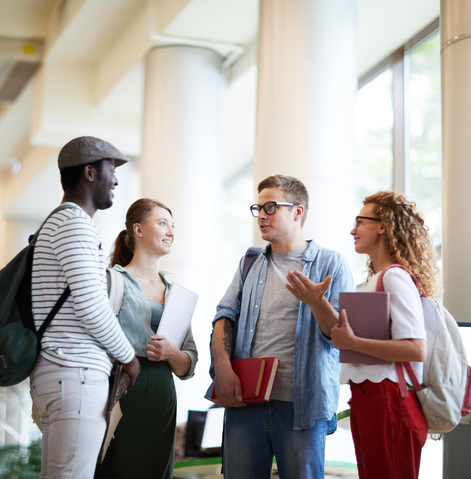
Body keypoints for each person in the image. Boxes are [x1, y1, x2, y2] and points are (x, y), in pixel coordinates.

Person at [208, 175, 354, 479]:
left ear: (298, 212)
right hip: (245, 402)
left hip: (302, 409)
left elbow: (341, 336)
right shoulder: (250, 262)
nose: (261, 215)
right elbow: (224, 315)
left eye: (271, 207)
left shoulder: (331, 263)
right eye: (258, 208)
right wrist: (222, 368)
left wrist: (317, 302)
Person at [29, 136, 140, 479]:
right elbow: (92, 307)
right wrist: (129, 358)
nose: (116, 180)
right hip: (74, 374)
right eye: (111, 170)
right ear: (90, 173)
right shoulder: (74, 224)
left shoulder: (57, 224)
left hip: (59, 372)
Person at [330, 190, 440, 479]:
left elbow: (416, 349)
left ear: (383, 225)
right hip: (373, 398)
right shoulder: (377, 279)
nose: (352, 230)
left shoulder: (393, 276)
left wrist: (353, 343)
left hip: (388, 400)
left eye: (360, 221)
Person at [94, 198, 198, 479]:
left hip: (162, 400)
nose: (171, 232)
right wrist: (98, 411)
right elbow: (93, 346)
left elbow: (189, 364)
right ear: (138, 230)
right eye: (162, 223)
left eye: (173, 226)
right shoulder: (111, 281)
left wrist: (171, 353)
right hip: (122, 393)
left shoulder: (177, 294)